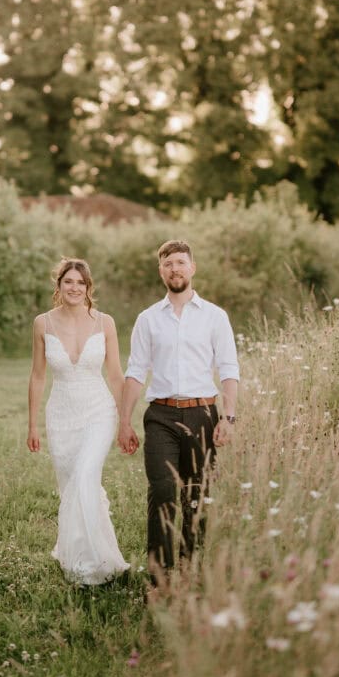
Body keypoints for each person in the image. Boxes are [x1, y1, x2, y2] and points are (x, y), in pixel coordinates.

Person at [118, 240, 239, 577]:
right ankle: (159, 578)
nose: (175, 269)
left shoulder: (215, 316)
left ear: (192, 268)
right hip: (161, 417)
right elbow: (136, 371)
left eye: (181, 263)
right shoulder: (148, 319)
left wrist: (228, 418)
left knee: (197, 497)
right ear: (161, 271)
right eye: (168, 264)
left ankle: (188, 569)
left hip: (203, 415)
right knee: (162, 491)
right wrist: (124, 422)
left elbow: (229, 370)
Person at [27, 258, 129, 585]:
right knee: (71, 484)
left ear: (88, 288)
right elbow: (38, 376)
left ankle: (98, 563)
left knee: (86, 476)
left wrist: (125, 420)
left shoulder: (105, 323)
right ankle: (73, 551)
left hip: (98, 410)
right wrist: (32, 425)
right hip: (61, 414)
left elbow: (115, 375)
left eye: (80, 283)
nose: (74, 288)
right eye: (68, 282)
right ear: (58, 286)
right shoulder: (43, 324)